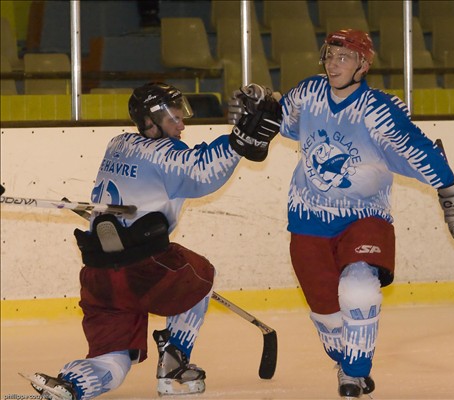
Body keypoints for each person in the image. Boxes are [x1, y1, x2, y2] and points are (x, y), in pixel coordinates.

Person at [228, 29, 454, 398]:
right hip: (308, 216)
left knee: (358, 288)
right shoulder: (309, 92)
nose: (334, 64)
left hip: (364, 216)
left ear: (363, 65)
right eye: (330, 56)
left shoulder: (378, 108)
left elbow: (415, 147)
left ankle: (354, 373)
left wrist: (450, 188)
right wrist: (261, 106)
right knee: (326, 314)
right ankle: (346, 361)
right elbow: (283, 121)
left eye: (343, 58)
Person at [25, 82, 280, 400]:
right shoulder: (166, 156)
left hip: (98, 275)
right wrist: (238, 140)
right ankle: (174, 363)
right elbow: (204, 171)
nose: (182, 125)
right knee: (200, 274)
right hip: (143, 268)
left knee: (114, 360)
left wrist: (238, 140)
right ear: (150, 120)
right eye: (175, 117)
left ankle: (71, 385)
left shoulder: (118, 144)